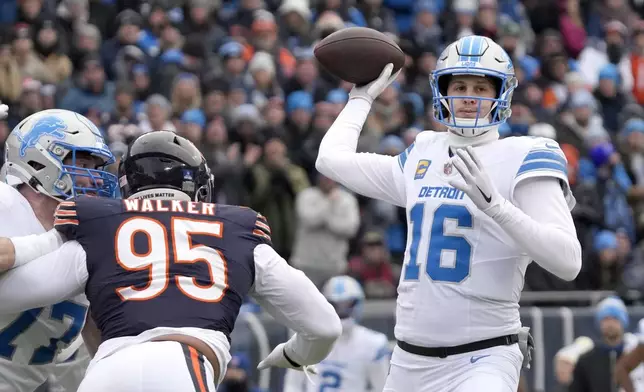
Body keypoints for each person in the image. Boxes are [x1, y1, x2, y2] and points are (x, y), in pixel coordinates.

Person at [315, 34, 582, 392]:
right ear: (441, 89)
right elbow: (330, 160)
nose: (469, 96)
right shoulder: (425, 151)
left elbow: (568, 261)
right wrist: (361, 98)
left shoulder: (525, 154)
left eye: (481, 87)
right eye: (459, 84)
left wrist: (496, 207)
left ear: (501, 94)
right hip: (408, 360)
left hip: (483, 358)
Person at [0, 130, 342, 392]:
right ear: (200, 188)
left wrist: (48, 243)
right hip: (182, 363)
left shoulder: (100, 228)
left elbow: (10, 295)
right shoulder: (238, 228)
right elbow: (324, 325)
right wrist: (297, 354)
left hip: (106, 371)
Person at [0, 108, 118, 392]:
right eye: (81, 163)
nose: (92, 180)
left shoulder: (87, 244)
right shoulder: (6, 202)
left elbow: (82, 350)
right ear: (39, 161)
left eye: (95, 169)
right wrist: (54, 240)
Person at [282, 275, 390, 392]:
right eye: (336, 306)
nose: (341, 312)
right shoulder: (305, 339)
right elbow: (293, 385)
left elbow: (382, 387)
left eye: (347, 305)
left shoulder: (373, 343)